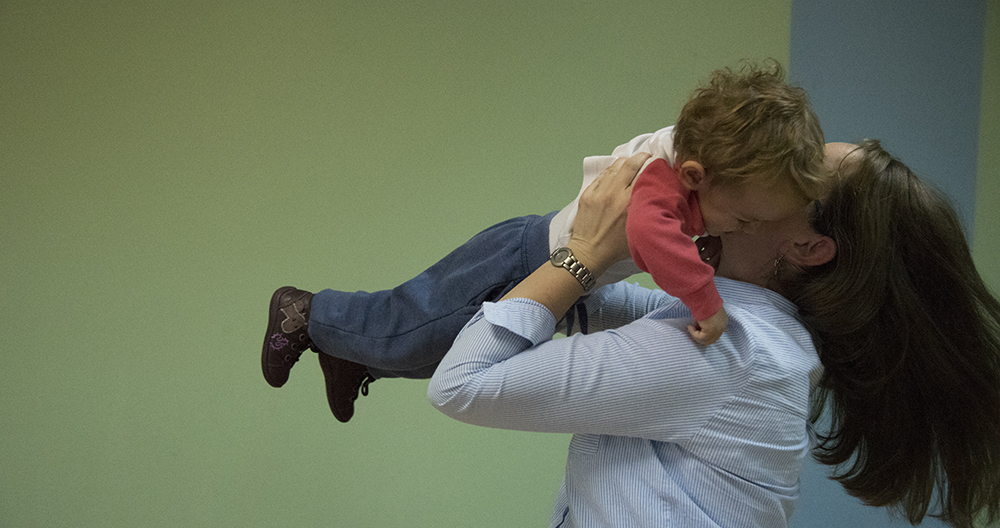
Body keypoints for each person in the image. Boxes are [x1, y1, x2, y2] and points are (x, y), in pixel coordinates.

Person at [427, 144, 1000, 527]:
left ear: (807, 247)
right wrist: (607, 244)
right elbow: (600, 308)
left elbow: (462, 384)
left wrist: (584, 253)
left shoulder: (729, 351)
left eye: (791, 175)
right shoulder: (765, 337)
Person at [261, 61, 827, 421]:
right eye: (744, 219)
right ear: (698, 175)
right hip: (523, 259)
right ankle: (307, 313)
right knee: (411, 329)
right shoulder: (659, 181)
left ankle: (352, 359)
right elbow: (652, 238)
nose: (741, 231)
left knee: (434, 346)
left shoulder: (709, 161)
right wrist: (705, 301)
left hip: (540, 261)